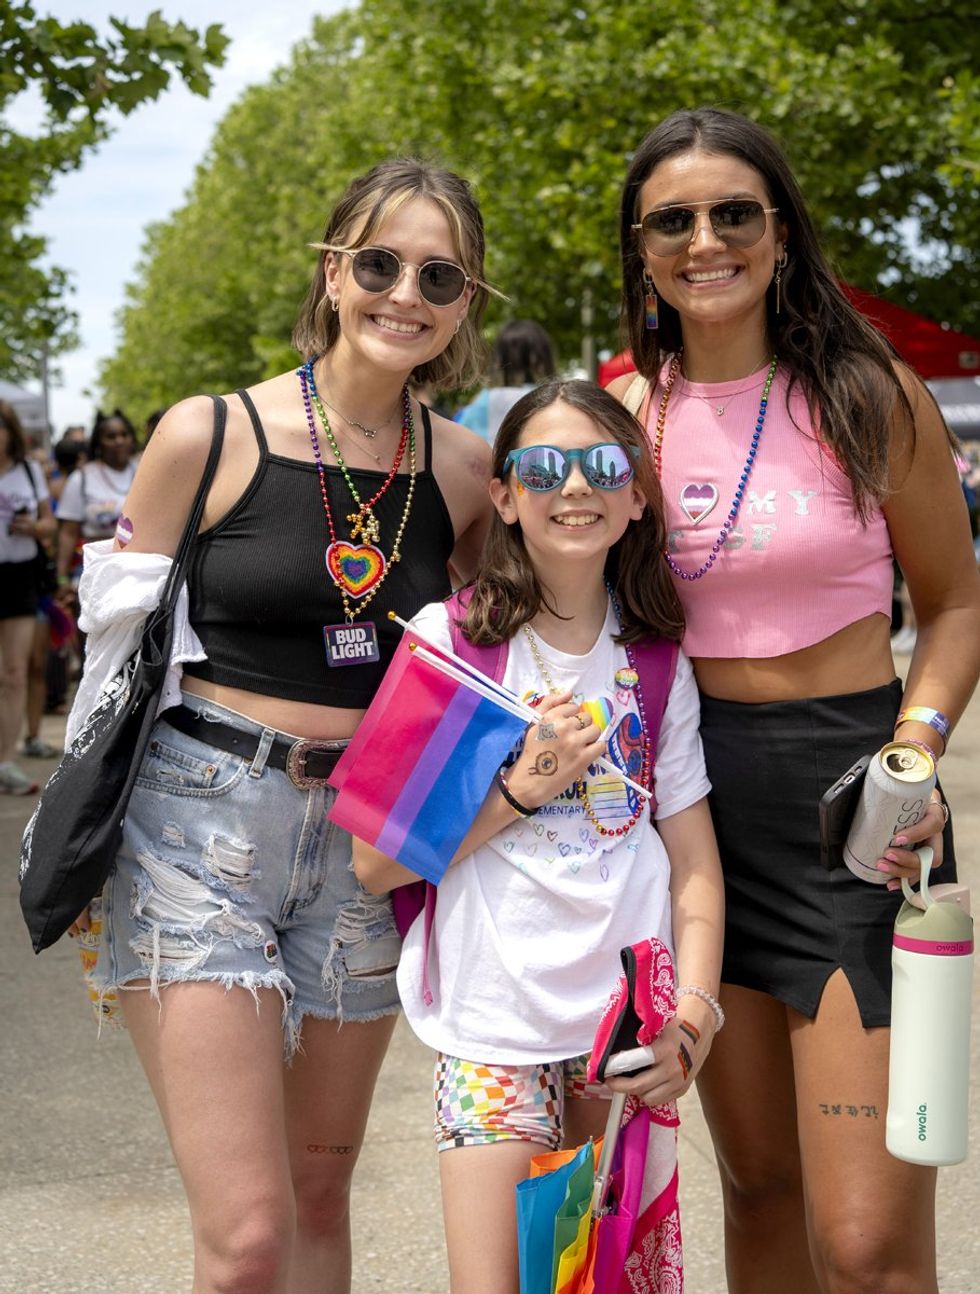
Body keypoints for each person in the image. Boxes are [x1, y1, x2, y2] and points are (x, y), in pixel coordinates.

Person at [68, 159, 498, 1293]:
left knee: (316, 1197)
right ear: (332, 270)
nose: (404, 291)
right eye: (379, 262)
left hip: (370, 835)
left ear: (466, 302)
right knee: (250, 1235)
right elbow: (111, 648)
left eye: (439, 274)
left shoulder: (463, 468)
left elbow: (497, 649)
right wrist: (77, 835)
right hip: (197, 826)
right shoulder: (203, 435)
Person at [610, 107, 980, 1294]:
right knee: (760, 1191)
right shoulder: (620, 418)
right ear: (640, 249)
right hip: (689, 817)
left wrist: (914, 752)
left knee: (866, 1243)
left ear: (779, 233)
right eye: (672, 219)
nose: (703, 239)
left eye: (733, 213)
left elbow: (956, 607)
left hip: (852, 808)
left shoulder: (870, 395)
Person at [354, 379, 725, 1294]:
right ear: (507, 496)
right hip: (492, 1024)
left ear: (637, 497)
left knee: (585, 1286)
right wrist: (522, 787)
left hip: (622, 1036)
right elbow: (375, 863)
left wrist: (695, 1018)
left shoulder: (656, 659)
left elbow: (695, 866)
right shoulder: (453, 640)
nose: (576, 487)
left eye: (605, 465)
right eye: (543, 467)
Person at [0, 401, 56, 792]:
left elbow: (51, 525)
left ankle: (6, 762)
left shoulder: (29, 471)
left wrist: (34, 527)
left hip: (19, 577)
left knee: (15, 673)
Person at [55, 409, 139, 591]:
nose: (119, 441)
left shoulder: (146, 472)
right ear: (98, 442)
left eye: (124, 435)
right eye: (111, 436)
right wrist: (62, 578)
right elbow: (68, 533)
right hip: (96, 573)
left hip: (138, 571)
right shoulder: (82, 478)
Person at [454, 318, 556, 442]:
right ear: (540, 358)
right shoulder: (549, 398)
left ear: (499, 359)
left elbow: (459, 432)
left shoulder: (483, 400)